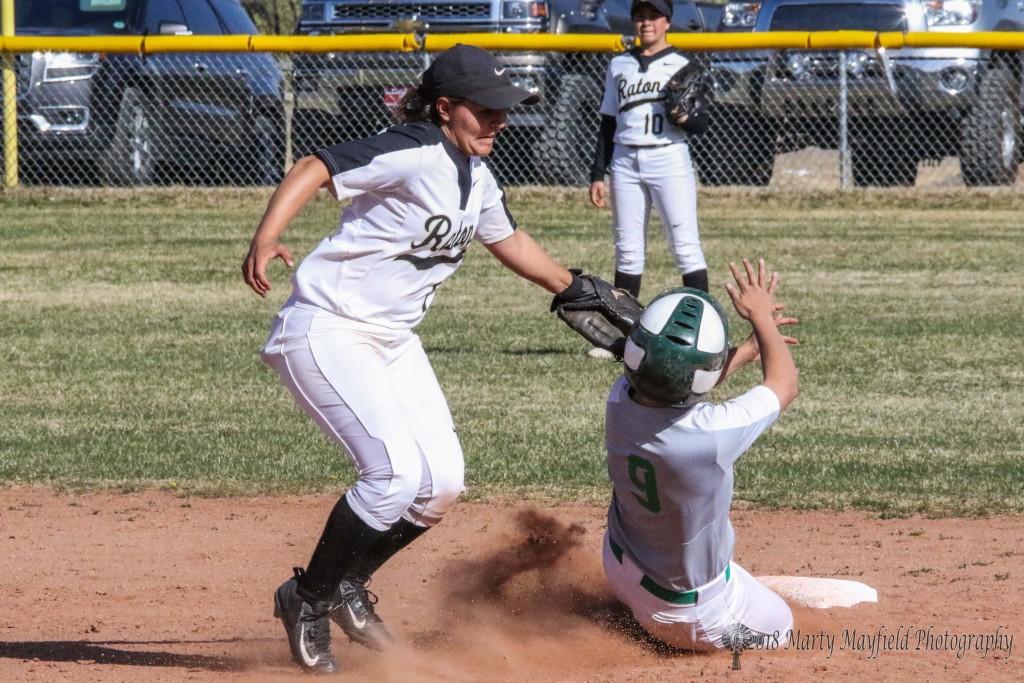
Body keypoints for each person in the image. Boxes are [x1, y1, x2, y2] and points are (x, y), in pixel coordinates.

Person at [242, 44, 601, 674]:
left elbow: (509, 239)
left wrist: (570, 286)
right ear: (445, 108)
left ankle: (347, 582)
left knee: (441, 484)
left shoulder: (480, 176)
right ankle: (307, 598)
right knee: (392, 476)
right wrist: (267, 236)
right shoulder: (411, 150)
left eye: (504, 110)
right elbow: (315, 166)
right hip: (328, 328)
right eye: (485, 110)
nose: (499, 120)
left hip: (392, 340)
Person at [602, 258, 799, 652]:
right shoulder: (710, 437)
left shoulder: (620, 398)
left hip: (618, 566)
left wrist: (742, 353)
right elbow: (785, 384)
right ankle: (675, 640)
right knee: (782, 629)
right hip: (686, 616)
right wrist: (761, 318)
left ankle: (634, 610)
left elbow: (670, 383)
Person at [588, 0, 709, 304]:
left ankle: (703, 329)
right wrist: (597, 173)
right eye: (640, 17)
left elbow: (701, 124)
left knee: (684, 245)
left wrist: (684, 118)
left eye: (654, 17)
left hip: (668, 157)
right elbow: (608, 121)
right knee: (627, 250)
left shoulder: (684, 65)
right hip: (624, 160)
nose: (646, 23)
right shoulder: (619, 65)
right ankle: (624, 332)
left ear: (667, 22)